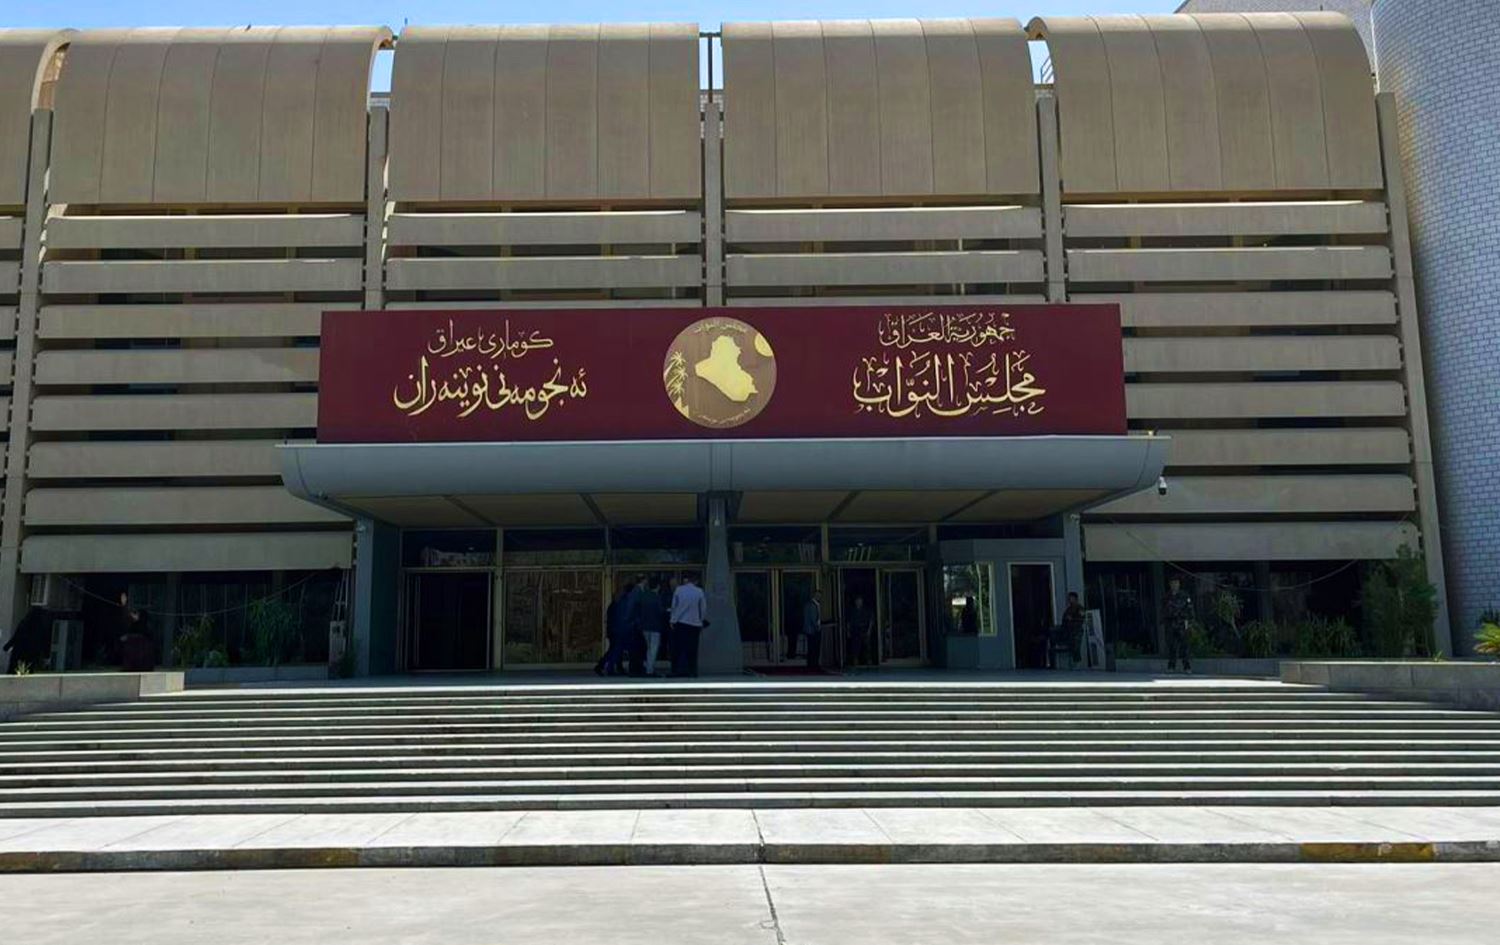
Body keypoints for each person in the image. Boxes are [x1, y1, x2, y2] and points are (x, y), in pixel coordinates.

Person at [668, 572, 708, 677]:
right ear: (696, 581)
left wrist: (672, 620)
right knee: (692, 648)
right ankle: (692, 670)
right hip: (694, 624)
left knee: (678, 648)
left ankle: (677, 670)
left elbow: (674, 606)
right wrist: (701, 620)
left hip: (680, 623)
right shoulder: (699, 591)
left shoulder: (679, 590)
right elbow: (703, 608)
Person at [596, 583, 634, 676]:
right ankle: (608, 668)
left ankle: (607, 666)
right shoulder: (623, 602)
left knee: (614, 650)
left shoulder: (616, 603)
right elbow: (623, 617)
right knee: (616, 650)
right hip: (619, 630)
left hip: (614, 630)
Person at [3, 606, 51, 674]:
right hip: (32, 654)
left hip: (18, 652)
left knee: (13, 670)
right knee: (28, 671)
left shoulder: (24, 623)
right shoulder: (41, 627)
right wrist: (46, 656)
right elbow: (45, 642)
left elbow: (16, 637)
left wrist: (7, 646)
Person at [640, 575, 670, 677]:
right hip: (655, 627)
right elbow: (661, 611)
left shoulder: (643, 596)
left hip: (644, 626)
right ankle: (649, 669)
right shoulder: (657, 598)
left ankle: (648, 667)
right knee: (653, 649)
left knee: (648, 648)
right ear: (657, 586)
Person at [1163, 577, 1194, 673]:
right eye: (1172, 583)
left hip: (1182, 623)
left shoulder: (1184, 596)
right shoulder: (1167, 596)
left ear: (1179, 584)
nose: (1174, 585)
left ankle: (1187, 667)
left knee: (1184, 646)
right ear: (1170, 584)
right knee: (1171, 646)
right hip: (1171, 623)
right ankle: (1171, 666)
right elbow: (1163, 610)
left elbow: (1189, 609)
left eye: (1176, 583)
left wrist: (1189, 621)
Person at [844, 595, 875, 669]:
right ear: (855, 602)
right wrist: (848, 631)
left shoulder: (866, 610)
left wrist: (869, 631)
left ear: (862, 601)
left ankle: (868, 660)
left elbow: (871, 621)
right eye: (857, 601)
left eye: (860, 601)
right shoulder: (852, 611)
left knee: (866, 646)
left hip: (864, 629)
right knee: (855, 646)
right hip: (855, 630)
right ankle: (855, 660)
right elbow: (848, 622)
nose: (858, 602)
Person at [802, 590, 824, 672]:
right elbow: (813, 618)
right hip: (813, 630)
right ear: (814, 595)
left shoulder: (812, 604)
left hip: (810, 630)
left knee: (812, 648)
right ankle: (813, 665)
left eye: (820, 595)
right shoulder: (812, 605)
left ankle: (812, 664)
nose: (819, 597)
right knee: (814, 648)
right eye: (817, 595)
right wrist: (817, 627)